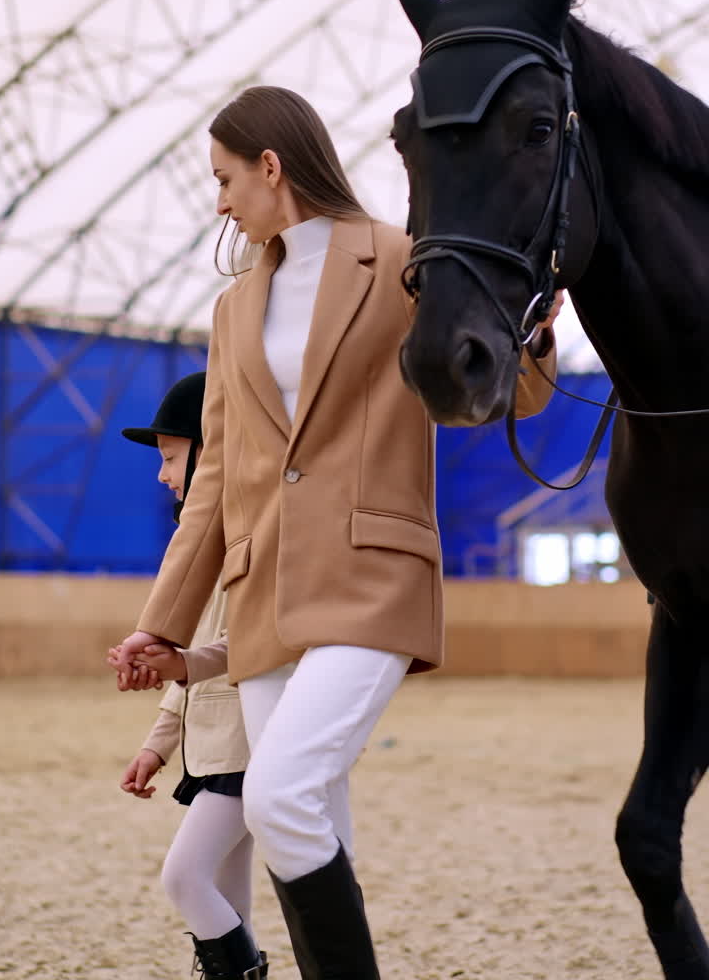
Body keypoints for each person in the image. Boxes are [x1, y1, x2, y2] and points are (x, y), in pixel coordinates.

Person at [114, 85, 559, 979]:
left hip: (373, 576)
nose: (220, 201)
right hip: (266, 591)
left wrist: (535, 340)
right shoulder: (235, 308)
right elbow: (216, 483)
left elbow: (506, 393)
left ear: (271, 167)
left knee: (278, 797)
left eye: (225, 179)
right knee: (308, 823)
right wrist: (162, 623)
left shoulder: (402, 263)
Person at [112, 372, 266, 980]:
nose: (162, 473)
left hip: (244, 748)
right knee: (231, 899)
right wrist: (157, 744)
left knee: (184, 876)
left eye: (171, 456)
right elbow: (197, 650)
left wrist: (182, 664)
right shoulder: (197, 546)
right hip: (210, 750)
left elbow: (246, 644)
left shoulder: (250, 538)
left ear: (211, 449)